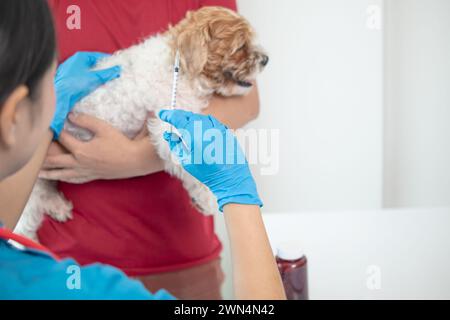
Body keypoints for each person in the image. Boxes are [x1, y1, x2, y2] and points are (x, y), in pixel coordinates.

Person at [0, 0, 285, 300]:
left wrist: (131, 158)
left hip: (182, 255)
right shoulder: (30, 11)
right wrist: (239, 199)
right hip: (68, 257)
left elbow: (246, 98)